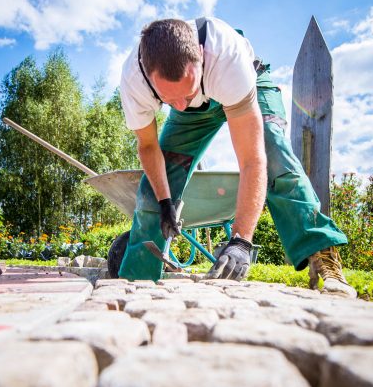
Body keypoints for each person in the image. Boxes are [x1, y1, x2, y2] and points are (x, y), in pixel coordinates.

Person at [118, 16, 356, 298]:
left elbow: (252, 160)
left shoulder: (226, 57)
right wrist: (164, 201)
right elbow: (148, 147)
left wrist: (242, 241)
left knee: (276, 155)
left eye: (187, 91)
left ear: (201, 59)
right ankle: (134, 283)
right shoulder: (135, 80)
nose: (179, 105)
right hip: (193, 114)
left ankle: (324, 259)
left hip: (248, 87)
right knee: (151, 192)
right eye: (169, 101)